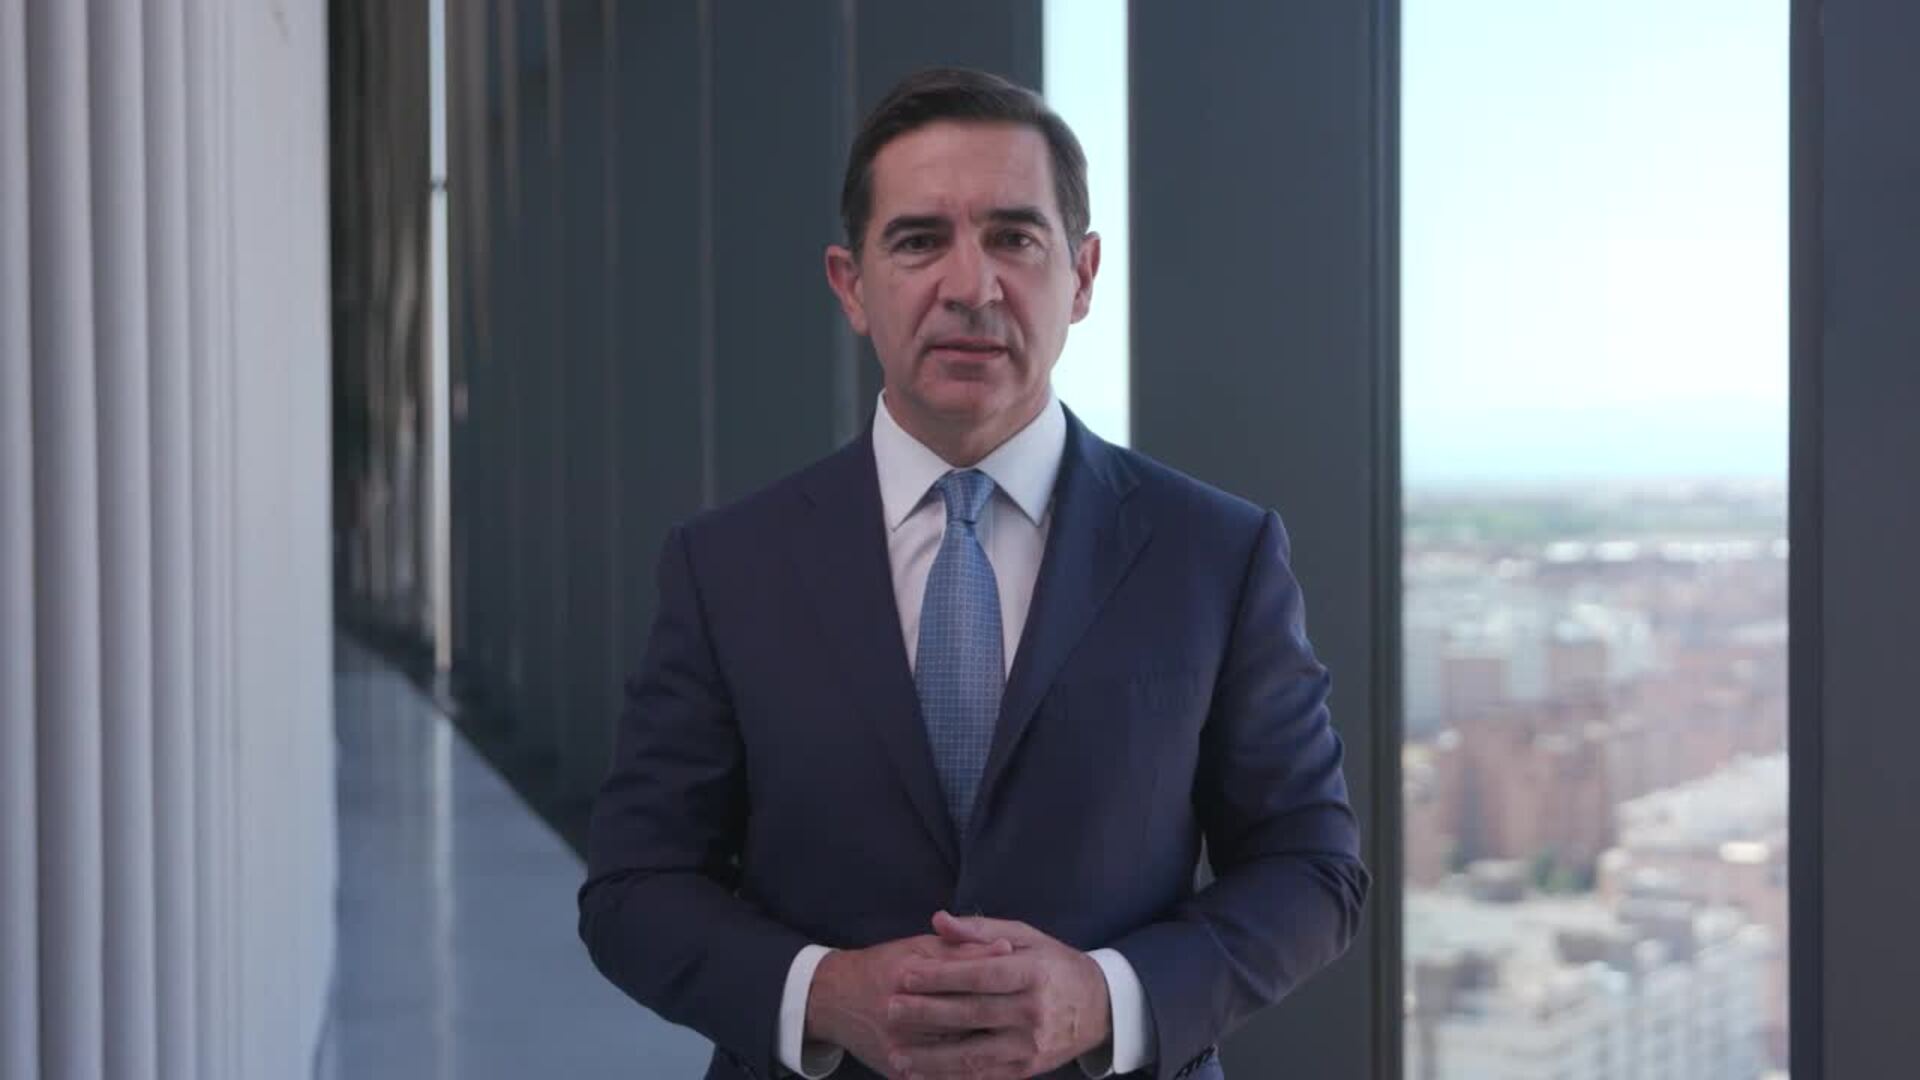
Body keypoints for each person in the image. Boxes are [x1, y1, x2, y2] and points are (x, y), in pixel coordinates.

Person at [579, 67, 1367, 1080]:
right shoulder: (725, 567)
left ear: (1082, 276)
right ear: (850, 284)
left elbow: (1312, 870)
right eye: (918, 240)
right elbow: (633, 888)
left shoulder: (1218, 554)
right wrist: (824, 994)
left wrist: (1107, 999)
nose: (970, 286)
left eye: (1014, 238)